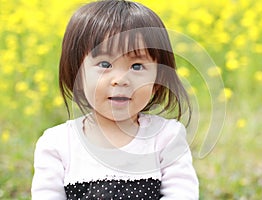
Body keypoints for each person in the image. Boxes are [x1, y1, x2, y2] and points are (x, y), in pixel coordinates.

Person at [31, 0, 199, 199]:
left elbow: (181, 193)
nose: (120, 80)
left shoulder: (166, 138)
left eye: (137, 66)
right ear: (77, 73)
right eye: (104, 64)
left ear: (158, 79)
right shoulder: (57, 144)